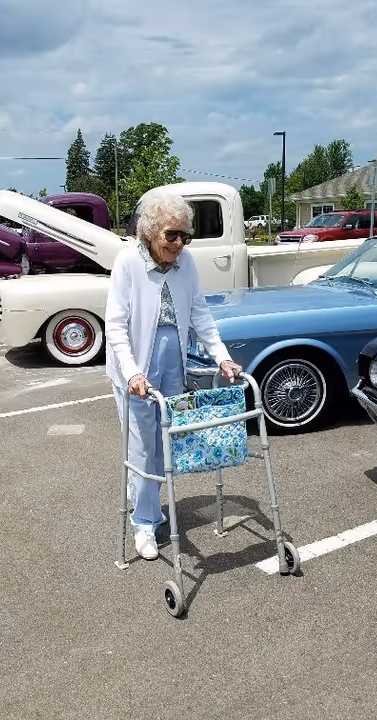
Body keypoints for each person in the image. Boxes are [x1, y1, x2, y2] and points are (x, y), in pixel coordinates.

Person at [105, 192, 241, 561]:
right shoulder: (128, 261)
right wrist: (132, 372)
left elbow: (200, 314)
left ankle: (145, 500)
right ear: (150, 232)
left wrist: (223, 358)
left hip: (172, 361)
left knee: (165, 443)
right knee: (143, 447)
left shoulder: (187, 263)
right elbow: (115, 325)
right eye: (171, 235)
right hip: (134, 362)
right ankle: (145, 522)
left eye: (184, 236)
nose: (179, 243)